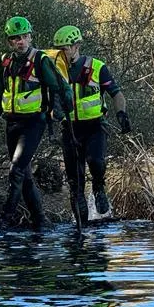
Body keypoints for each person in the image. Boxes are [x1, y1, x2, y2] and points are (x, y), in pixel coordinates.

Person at [0, 16, 72, 231]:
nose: (21, 41)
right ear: (9, 42)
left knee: (16, 170)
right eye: (15, 38)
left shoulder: (40, 60)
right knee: (25, 177)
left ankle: (4, 221)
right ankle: (41, 222)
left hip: (34, 123)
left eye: (24, 37)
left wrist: (59, 113)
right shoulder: (5, 61)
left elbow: (59, 88)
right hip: (12, 123)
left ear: (30, 37)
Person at [50, 25, 131, 225]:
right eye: (58, 49)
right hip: (70, 129)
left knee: (96, 162)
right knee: (74, 180)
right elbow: (48, 98)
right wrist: (53, 113)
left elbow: (116, 94)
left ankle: (98, 187)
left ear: (77, 46)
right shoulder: (53, 70)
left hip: (95, 127)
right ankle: (81, 226)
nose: (62, 53)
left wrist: (121, 114)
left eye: (66, 48)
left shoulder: (96, 67)